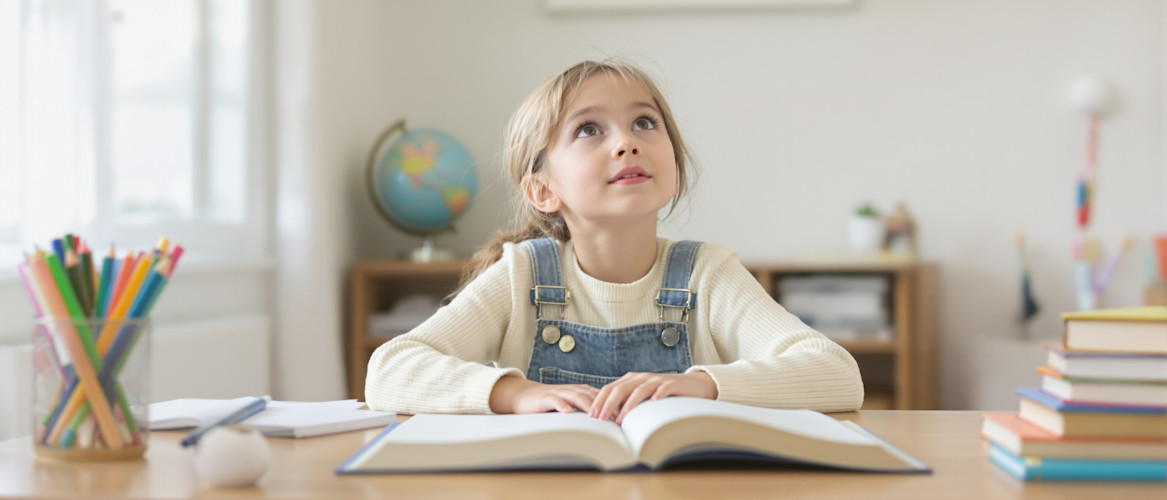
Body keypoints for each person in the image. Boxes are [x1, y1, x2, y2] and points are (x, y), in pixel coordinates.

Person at [366, 60, 863, 423]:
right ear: (542, 189)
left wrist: (701, 385)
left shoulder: (708, 274)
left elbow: (838, 374)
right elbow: (389, 371)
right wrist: (515, 394)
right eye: (588, 129)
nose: (627, 141)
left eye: (644, 122)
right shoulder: (521, 275)